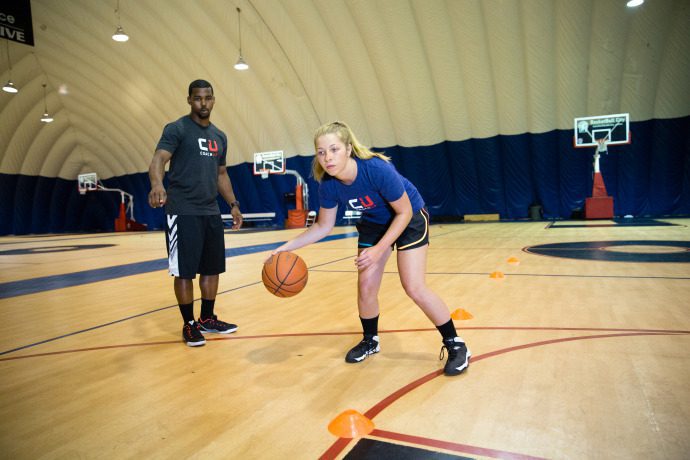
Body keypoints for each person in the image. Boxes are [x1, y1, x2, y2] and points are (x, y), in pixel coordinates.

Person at [270, 121, 470, 375]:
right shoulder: (328, 184)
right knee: (365, 286)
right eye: (321, 152)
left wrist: (378, 250)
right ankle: (370, 340)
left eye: (334, 149)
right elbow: (322, 226)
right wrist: (285, 248)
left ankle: (456, 344)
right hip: (374, 223)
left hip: (409, 218)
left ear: (349, 149)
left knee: (414, 286)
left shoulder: (375, 169)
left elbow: (404, 211)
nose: (328, 157)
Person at [148, 79, 243, 347]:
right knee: (185, 272)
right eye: (198, 98)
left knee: (212, 269)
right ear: (189, 99)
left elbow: (221, 174)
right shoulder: (177, 129)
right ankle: (189, 324)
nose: (203, 103)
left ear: (214, 100)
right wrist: (157, 184)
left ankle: (207, 318)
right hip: (182, 211)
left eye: (208, 98)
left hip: (210, 211)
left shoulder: (219, 136)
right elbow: (158, 160)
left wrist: (233, 204)